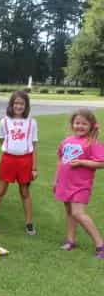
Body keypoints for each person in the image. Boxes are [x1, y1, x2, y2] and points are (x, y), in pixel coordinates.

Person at [0, 91, 38, 236]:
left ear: (26, 105)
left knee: (25, 192)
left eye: (22, 103)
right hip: (8, 159)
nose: (18, 106)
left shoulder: (32, 122)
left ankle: (29, 223)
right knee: (0, 190)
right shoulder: (4, 121)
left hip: (25, 160)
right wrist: (10, 150)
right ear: (11, 104)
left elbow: (34, 144)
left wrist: (34, 167)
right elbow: (2, 140)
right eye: (16, 103)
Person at [54, 109, 104, 258]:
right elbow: (60, 160)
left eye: (84, 124)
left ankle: (100, 244)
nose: (80, 126)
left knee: (78, 213)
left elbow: (101, 162)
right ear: (72, 124)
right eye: (77, 123)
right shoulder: (66, 141)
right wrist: (56, 180)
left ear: (91, 126)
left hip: (81, 185)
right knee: (69, 212)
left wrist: (82, 162)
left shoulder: (92, 143)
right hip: (65, 183)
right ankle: (70, 240)